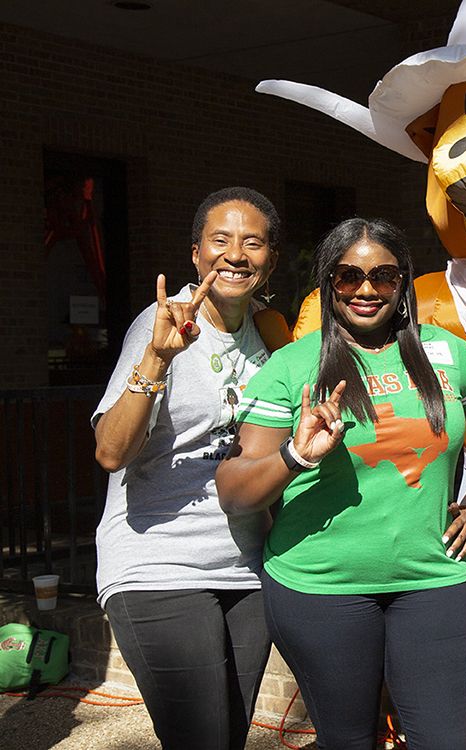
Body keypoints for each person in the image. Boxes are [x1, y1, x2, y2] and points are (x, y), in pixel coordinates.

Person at [215, 217, 466, 750]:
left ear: (403, 282)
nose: (365, 290)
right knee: (350, 740)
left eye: (382, 276)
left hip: (433, 581)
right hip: (320, 590)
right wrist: (295, 454)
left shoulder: (445, 352)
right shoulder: (290, 368)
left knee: (446, 740)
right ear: (326, 282)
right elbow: (234, 491)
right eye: (347, 276)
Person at [93, 186, 281, 750]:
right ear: (196, 254)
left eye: (253, 242)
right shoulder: (160, 323)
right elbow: (110, 452)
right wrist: (157, 358)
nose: (236, 254)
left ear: (270, 259)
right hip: (159, 563)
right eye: (220, 240)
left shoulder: (270, 334)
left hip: (248, 568)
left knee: (227, 736)